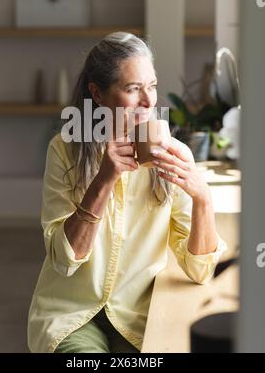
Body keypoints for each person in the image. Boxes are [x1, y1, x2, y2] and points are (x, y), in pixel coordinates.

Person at [27, 32, 227, 353]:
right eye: (133, 89)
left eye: (152, 86)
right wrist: (105, 178)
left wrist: (201, 196)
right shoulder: (64, 151)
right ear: (98, 94)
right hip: (73, 313)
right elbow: (65, 261)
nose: (149, 101)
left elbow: (200, 270)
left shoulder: (171, 154)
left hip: (136, 315)